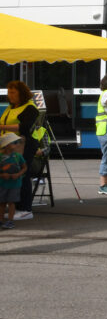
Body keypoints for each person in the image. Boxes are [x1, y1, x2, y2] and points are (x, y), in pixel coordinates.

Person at [0, 80, 45, 220]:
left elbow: (24, 127)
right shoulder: (11, 107)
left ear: (21, 93)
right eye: (9, 92)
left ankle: (25, 209)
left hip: (24, 146)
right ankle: (15, 205)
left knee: (22, 175)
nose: (10, 95)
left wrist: (2, 127)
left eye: (13, 92)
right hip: (8, 147)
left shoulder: (30, 108)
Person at [0, 133, 27, 230]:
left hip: (15, 183)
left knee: (11, 202)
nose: (17, 144)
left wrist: (19, 174)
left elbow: (24, 167)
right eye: (15, 143)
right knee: (2, 202)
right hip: (2, 183)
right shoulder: (1, 157)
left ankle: (10, 220)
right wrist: (2, 175)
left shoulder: (18, 156)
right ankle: (1, 219)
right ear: (7, 145)